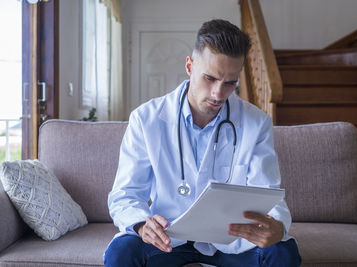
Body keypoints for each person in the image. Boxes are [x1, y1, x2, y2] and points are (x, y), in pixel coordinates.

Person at [104, 19, 301, 267]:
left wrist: (277, 227)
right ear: (190, 65)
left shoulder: (256, 123)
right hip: (169, 239)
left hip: (232, 242)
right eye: (210, 78)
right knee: (122, 251)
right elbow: (126, 194)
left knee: (282, 251)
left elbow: (269, 194)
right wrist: (142, 224)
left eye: (230, 83)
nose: (218, 94)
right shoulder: (146, 119)